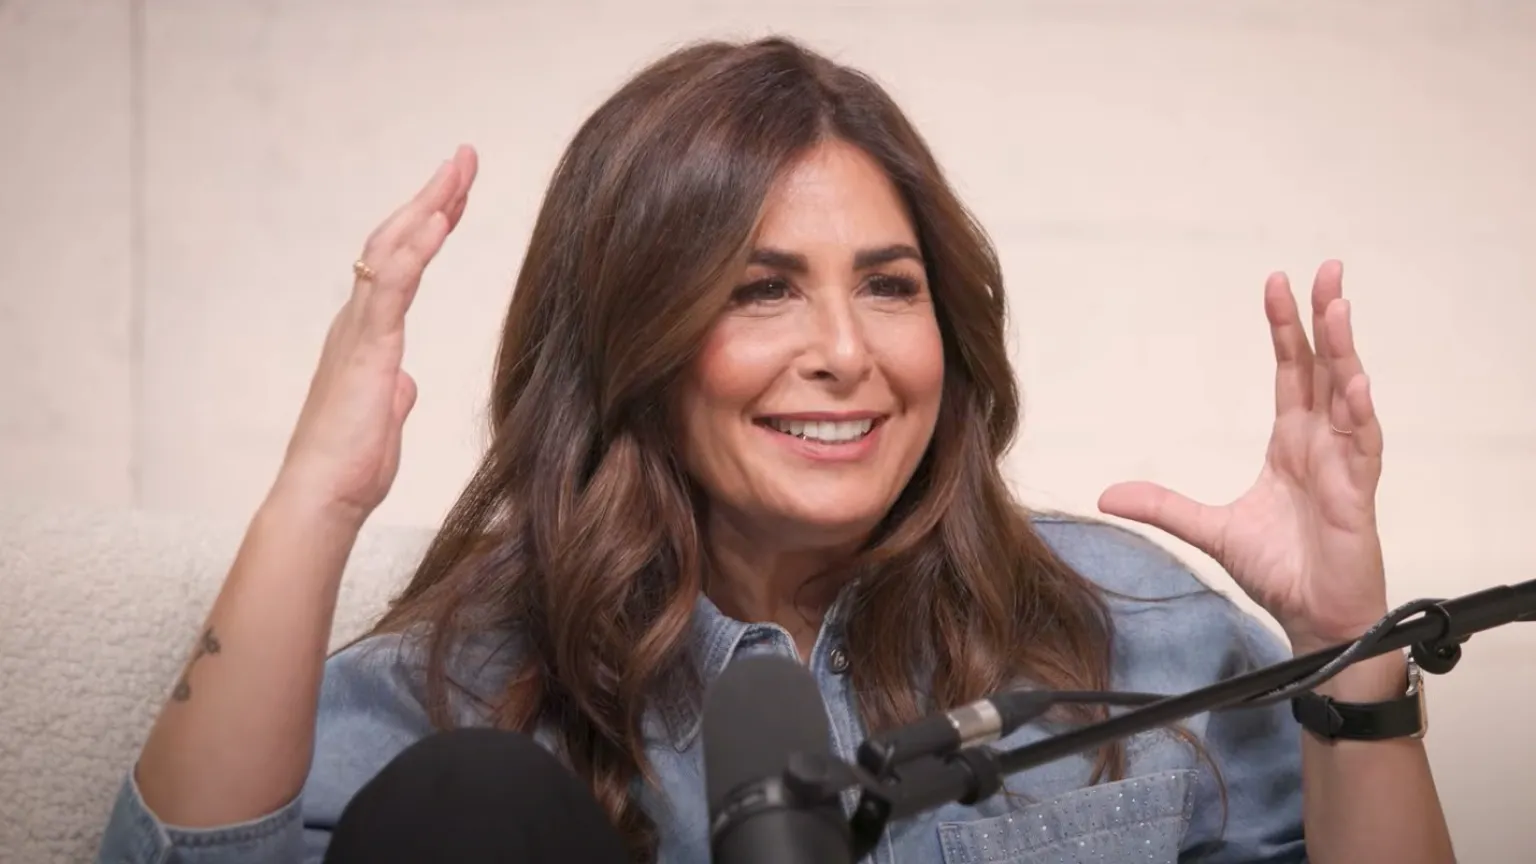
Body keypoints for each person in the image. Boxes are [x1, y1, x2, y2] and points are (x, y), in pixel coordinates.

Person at [96, 37, 1454, 864]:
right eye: (761, 291)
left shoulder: (1136, 632)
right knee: (472, 804)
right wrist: (313, 503)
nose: (846, 351)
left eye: (889, 286)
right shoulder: (470, 683)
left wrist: (1350, 644)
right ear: (632, 336)